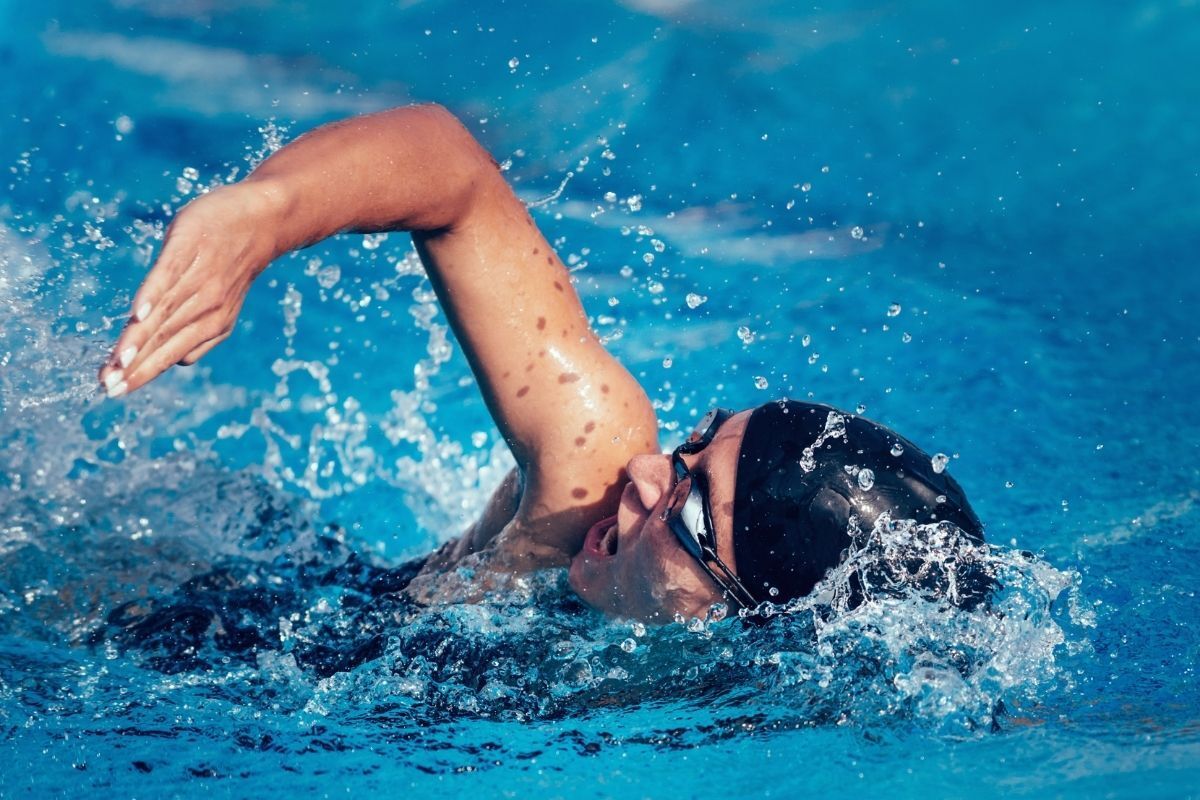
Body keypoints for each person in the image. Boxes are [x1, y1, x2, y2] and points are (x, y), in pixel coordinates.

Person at [98, 104, 987, 625]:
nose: (643, 476)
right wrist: (259, 217)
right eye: (692, 447)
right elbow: (451, 169)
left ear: (741, 615)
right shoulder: (589, 480)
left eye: (685, 519)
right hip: (192, 618)